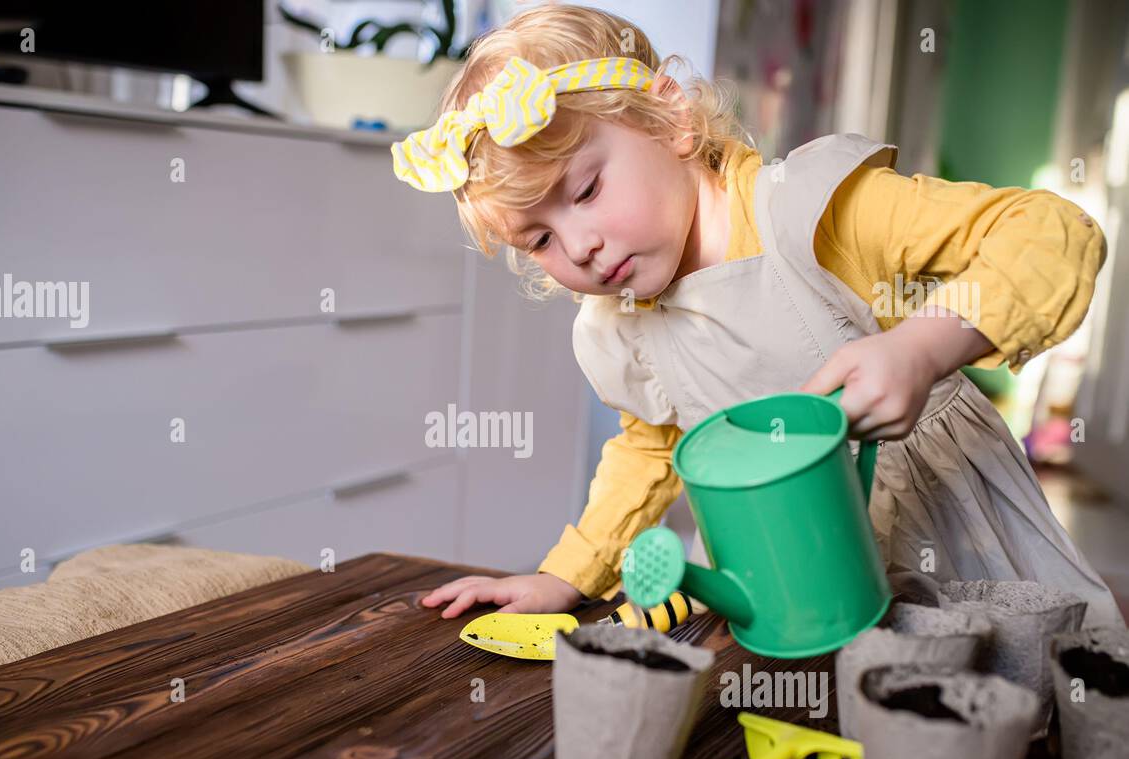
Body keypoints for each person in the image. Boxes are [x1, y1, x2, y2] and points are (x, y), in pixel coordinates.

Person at [393, 4, 1123, 628]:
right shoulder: (620, 326)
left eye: (584, 191)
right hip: (796, 572)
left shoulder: (813, 212)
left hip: (953, 538)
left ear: (671, 118)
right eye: (540, 239)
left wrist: (924, 346)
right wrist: (566, 576)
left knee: (1028, 726)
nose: (579, 247)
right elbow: (653, 450)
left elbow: (1051, 233)